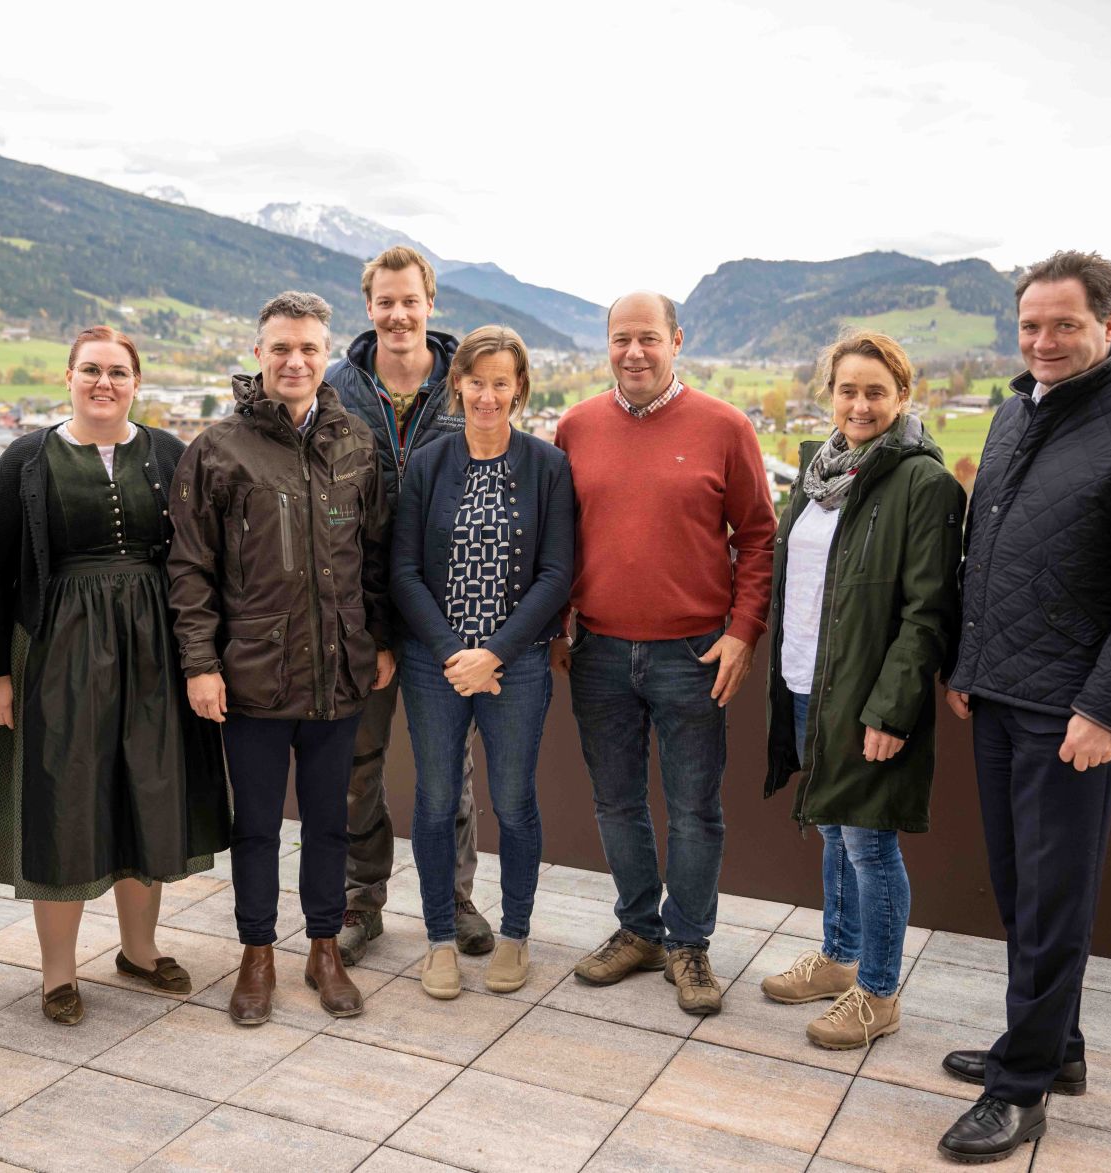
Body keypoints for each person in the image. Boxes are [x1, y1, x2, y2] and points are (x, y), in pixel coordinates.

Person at [935, 252, 1111, 1163]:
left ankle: (1020, 1092)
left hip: (1072, 713)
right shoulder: (1017, 410)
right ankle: (1056, 1049)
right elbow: (990, 544)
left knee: (1054, 899)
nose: (1044, 341)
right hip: (1001, 694)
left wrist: (1108, 708)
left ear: (1108, 326)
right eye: (1030, 326)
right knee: (1022, 890)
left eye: (1063, 325)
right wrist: (967, 664)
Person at [0, 325, 231, 1025]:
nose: (103, 382)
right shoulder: (26, 458)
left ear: (136, 381)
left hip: (155, 655)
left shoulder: (169, 452)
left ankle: (138, 950)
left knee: (147, 793)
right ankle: (57, 974)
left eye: (117, 370)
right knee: (66, 801)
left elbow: (203, 554)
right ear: (69, 376)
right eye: (91, 370)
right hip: (58, 656)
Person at [169, 290, 393, 1026]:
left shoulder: (356, 442)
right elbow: (190, 569)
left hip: (339, 675)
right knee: (257, 825)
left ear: (325, 354)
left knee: (331, 820)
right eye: (280, 348)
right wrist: (201, 664)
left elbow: (376, 558)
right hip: (252, 677)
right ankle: (257, 953)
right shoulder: (218, 448)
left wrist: (380, 641)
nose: (294, 360)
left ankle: (323, 948)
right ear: (258, 353)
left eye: (308, 348)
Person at [552, 290, 777, 1016]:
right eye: (622, 339)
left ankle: (689, 943)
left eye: (649, 337)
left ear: (677, 340)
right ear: (606, 344)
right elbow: (558, 540)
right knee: (617, 803)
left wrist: (743, 630)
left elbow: (758, 535)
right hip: (600, 651)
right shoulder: (575, 427)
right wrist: (560, 623)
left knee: (694, 809)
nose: (634, 352)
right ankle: (639, 928)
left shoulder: (725, 426)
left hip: (694, 652)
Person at [757, 331, 965, 1049]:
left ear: (903, 396)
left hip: (869, 695)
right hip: (808, 682)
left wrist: (892, 709)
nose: (861, 403)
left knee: (870, 845)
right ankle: (840, 957)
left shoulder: (924, 483)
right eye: (848, 389)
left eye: (877, 390)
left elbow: (926, 611)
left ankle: (878, 990)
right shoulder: (817, 473)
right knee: (834, 827)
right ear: (831, 393)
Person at [391, 325, 574, 999]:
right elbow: (404, 571)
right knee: (436, 801)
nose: (488, 395)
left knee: (515, 801)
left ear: (519, 388)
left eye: (502, 382)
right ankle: (439, 938)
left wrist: (494, 652)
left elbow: (557, 574)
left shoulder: (548, 466)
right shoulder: (429, 464)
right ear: (458, 384)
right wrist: (453, 653)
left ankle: (517, 933)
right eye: (477, 381)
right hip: (433, 662)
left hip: (517, 663)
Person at [325, 245, 493, 964]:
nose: (398, 314)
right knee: (356, 766)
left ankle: (452, 897)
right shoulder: (334, 388)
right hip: (356, 613)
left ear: (432, 304)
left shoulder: (468, 389)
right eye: (385, 302)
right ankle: (362, 899)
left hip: (445, 616)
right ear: (369, 308)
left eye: (410, 301)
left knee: (446, 767)